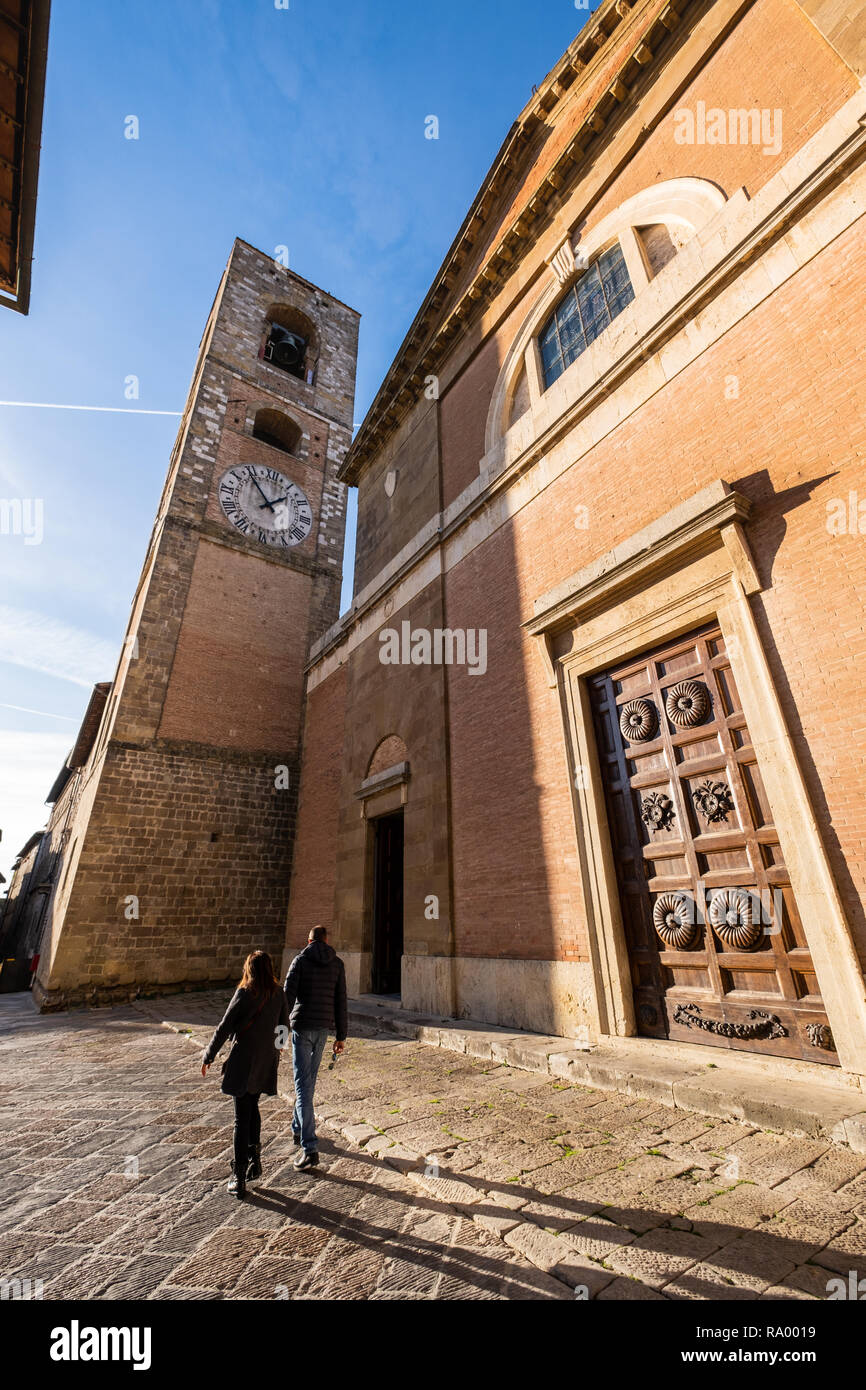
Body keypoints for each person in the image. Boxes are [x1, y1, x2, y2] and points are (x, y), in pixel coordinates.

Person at [201, 950, 290, 1200]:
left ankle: (238, 1177)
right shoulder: (278, 992)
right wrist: (276, 1051)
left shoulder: (245, 993)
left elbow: (225, 1026)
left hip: (244, 1059)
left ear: (248, 969)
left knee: (242, 1117)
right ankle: (255, 1160)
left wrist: (208, 1055)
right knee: (253, 1106)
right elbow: (285, 1026)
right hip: (265, 1060)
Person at [283, 926, 347, 1170]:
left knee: (302, 1084)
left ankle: (309, 1148)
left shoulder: (299, 961)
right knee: (307, 1082)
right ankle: (298, 1128)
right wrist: (341, 1036)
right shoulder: (337, 964)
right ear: (327, 940)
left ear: (308, 940)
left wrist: (280, 1030)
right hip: (323, 1028)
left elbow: (287, 997)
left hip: (301, 1027)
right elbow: (341, 1001)